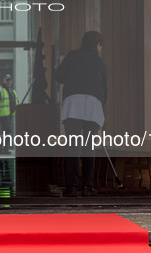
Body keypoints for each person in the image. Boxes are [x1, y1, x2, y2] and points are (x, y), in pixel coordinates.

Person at [54, 31, 107, 197]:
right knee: (89, 146)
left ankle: (71, 187)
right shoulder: (99, 62)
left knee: (73, 146)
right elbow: (104, 88)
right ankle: (87, 187)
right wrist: (100, 107)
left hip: (73, 103)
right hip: (93, 103)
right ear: (98, 46)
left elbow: (59, 76)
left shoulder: (72, 55)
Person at [0, 74, 19, 154]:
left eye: (10, 80)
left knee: (5, 131)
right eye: (7, 80)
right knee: (8, 129)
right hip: (3, 114)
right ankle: (4, 148)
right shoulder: (0, 90)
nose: (9, 81)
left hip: (9, 114)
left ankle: (3, 149)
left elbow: (15, 102)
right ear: (3, 81)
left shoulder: (12, 91)